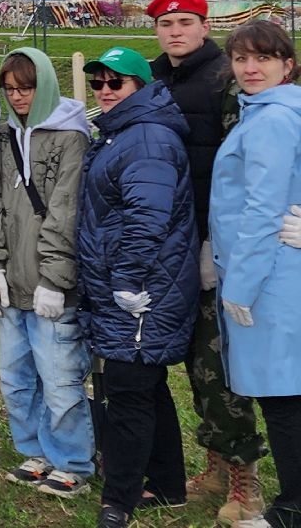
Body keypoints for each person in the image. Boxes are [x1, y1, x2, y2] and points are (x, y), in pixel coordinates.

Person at [146, 0, 263, 523]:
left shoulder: (224, 80)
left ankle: (245, 479)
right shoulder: (151, 76)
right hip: (166, 237)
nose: (176, 31)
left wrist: (221, 241)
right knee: (193, 360)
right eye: (166, 24)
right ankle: (214, 464)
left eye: (186, 22)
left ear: (202, 24)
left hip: (215, 240)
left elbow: (241, 166)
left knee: (219, 361)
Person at [76, 46, 197, 528]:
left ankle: (119, 500)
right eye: (99, 82)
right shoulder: (122, 133)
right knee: (147, 384)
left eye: (116, 83)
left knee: (127, 390)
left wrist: (127, 280)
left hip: (144, 289)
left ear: (140, 87)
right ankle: (168, 484)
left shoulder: (146, 138)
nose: (105, 91)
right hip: (129, 282)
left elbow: (148, 217)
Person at [0, 48, 94, 498]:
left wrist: (55, 278)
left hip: (51, 285)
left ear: (43, 84)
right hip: (12, 281)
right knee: (15, 374)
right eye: (9, 89)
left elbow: (64, 212)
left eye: (25, 87)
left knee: (60, 376)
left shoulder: (71, 137)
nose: (17, 96)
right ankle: (35, 451)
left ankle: (73, 461)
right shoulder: (7, 135)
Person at [210, 21, 301, 528]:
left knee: (284, 396)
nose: (250, 68)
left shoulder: (271, 120)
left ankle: (292, 508)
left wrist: (240, 285)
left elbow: (261, 208)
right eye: (242, 58)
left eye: (263, 58)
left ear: (286, 65)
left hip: (269, 281)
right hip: (278, 272)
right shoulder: (273, 112)